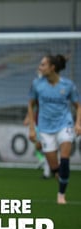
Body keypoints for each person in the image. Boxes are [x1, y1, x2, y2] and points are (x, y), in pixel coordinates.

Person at [27, 54, 81, 204]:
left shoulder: (68, 85)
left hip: (65, 124)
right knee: (54, 166)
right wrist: (32, 128)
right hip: (45, 128)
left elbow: (78, 105)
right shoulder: (37, 84)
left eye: (43, 64)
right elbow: (31, 105)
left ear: (53, 68)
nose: (40, 67)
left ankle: (61, 195)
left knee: (64, 158)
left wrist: (78, 124)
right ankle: (59, 175)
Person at [23, 103, 51, 179]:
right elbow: (32, 107)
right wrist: (28, 118)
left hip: (50, 125)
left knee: (48, 148)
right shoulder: (39, 95)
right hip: (39, 125)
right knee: (39, 147)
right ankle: (45, 162)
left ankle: (47, 171)